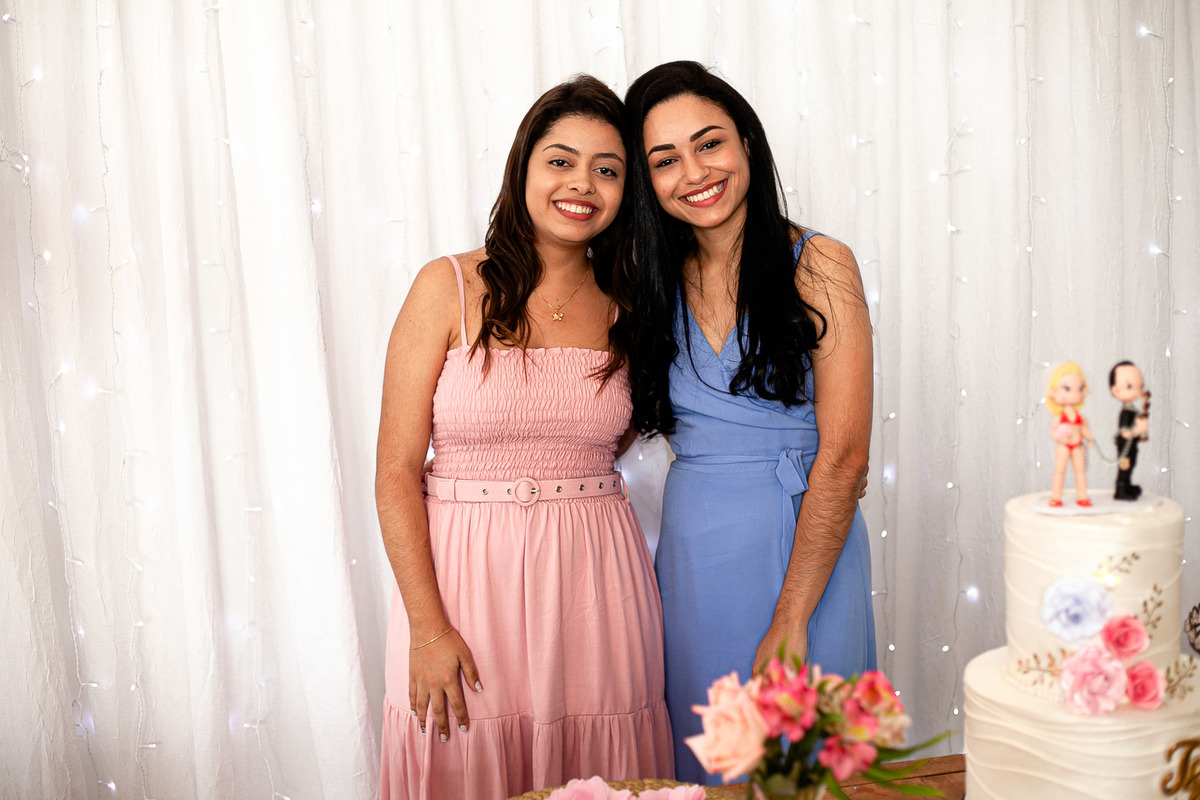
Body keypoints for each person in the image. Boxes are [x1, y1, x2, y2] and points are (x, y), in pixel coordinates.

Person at [375, 75, 673, 800]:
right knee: (461, 755)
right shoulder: (446, 286)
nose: (582, 184)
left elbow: (612, 438)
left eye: (607, 169)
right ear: (524, 167)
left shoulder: (632, 307)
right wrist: (427, 627)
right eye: (561, 161)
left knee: (602, 770)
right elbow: (394, 473)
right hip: (463, 585)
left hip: (597, 584)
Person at [623, 61, 877, 784]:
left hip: (804, 549)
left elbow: (846, 456)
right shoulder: (649, 284)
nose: (693, 173)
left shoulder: (819, 263)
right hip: (696, 557)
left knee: (811, 772)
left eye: (709, 144)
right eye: (665, 160)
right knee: (710, 770)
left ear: (747, 142)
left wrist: (791, 617)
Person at [1045, 362, 1094, 507]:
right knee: (1059, 471)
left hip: (1078, 446)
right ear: (1053, 391)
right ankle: (1056, 497)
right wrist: (1060, 438)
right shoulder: (1058, 417)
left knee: (1080, 472)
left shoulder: (1081, 417)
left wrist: (1090, 440)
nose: (1073, 395)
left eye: (1079, 389)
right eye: (1066, 389)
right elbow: (1052, 432)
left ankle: (1082, 496)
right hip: (1063, 446)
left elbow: (1085, 431)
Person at [1109, 360, 1149, 500]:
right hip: (1125, 445)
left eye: (1140, 385)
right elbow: (1125, 433)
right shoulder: (1125, 413)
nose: (1137, 390)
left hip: (1131, 445)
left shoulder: (1132, 410)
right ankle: (1121, 488)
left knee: (1131, 464)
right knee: (1125, 466)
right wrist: (1138, 429)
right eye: (1130, 386)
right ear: (1115, 390)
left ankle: (1127, 485)